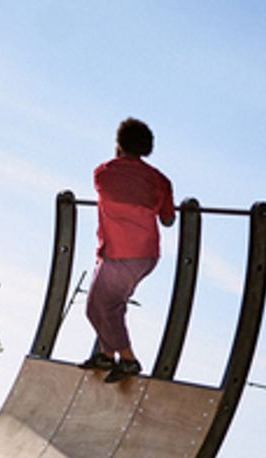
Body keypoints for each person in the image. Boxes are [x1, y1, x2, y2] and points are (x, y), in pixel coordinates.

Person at [79, 117, 175, 384]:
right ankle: (107, 356)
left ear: (119, 144)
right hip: (145, 255)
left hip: (117, 253)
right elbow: (168, 219)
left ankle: (128, 359)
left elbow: (110, 190)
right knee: (109, 306)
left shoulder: (103, 173)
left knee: (99, 307)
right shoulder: (160, 181)